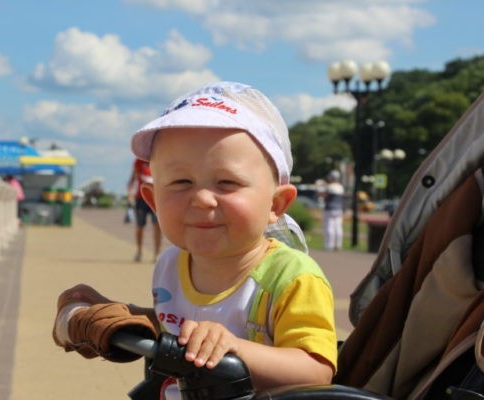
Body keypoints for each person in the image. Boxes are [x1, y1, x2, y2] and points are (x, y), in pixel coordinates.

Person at [53, 81, 337, 398]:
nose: (201, 199)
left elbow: (316, 371)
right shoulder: (171, 264)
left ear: (276, 204)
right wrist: (123, 316)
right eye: (181, 182)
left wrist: (234, 347)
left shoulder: (292, 276)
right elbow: (175, 330)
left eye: (226, 182)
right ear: (153, 201)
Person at [127, 158, 162, 262]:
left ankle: (157, 254)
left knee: (157, 226)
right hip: (141, 199)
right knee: (140, 226)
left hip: (156, 198)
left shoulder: (158, 159)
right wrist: (130, 194)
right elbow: (132, 180)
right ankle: (139, 251)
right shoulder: (139, 162)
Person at [321, 170, 345, 251]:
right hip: (339, 209)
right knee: (338, 228)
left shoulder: (329, 187)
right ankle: (338, 245)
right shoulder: (341, 187)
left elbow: (324, 196)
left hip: (329, 209)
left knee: (329, 227)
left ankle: (329, 245)